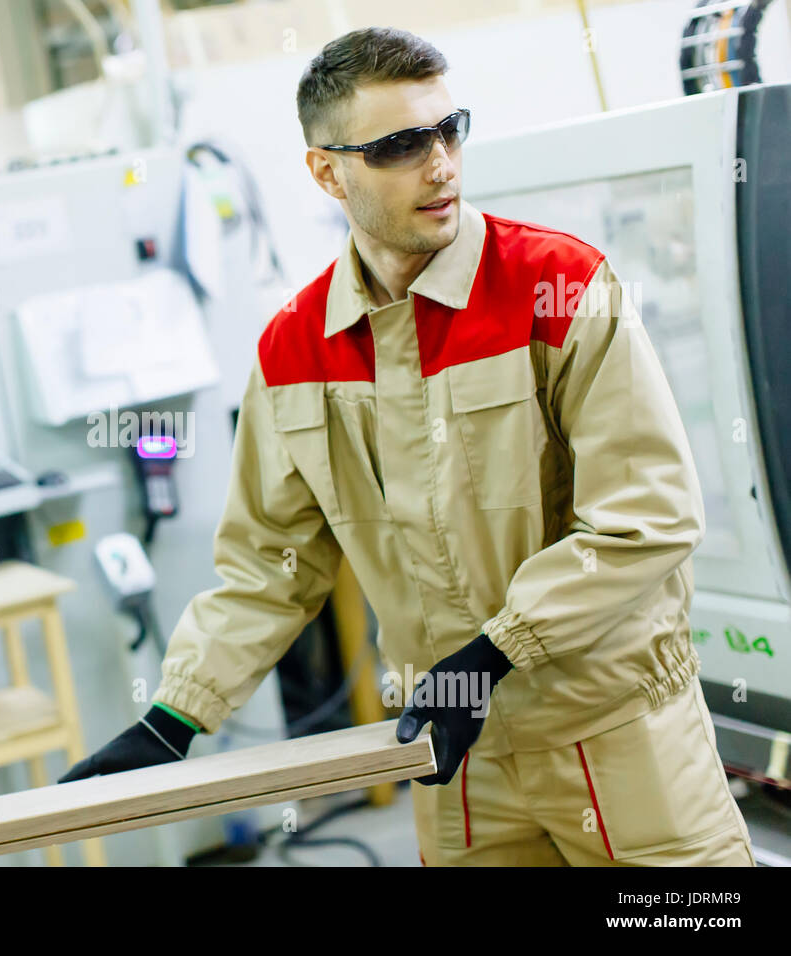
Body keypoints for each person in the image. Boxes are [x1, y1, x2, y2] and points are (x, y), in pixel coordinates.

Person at [61, 27, 755, 866]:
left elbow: (645, 518)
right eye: (400, 145)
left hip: (617, 735)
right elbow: (268, 569)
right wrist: (172, 720)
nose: (441, 164)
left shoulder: (561, 289)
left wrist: (495, 654)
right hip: (452, 759)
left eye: (448, 128)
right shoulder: (293, 349)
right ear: (327, 170)